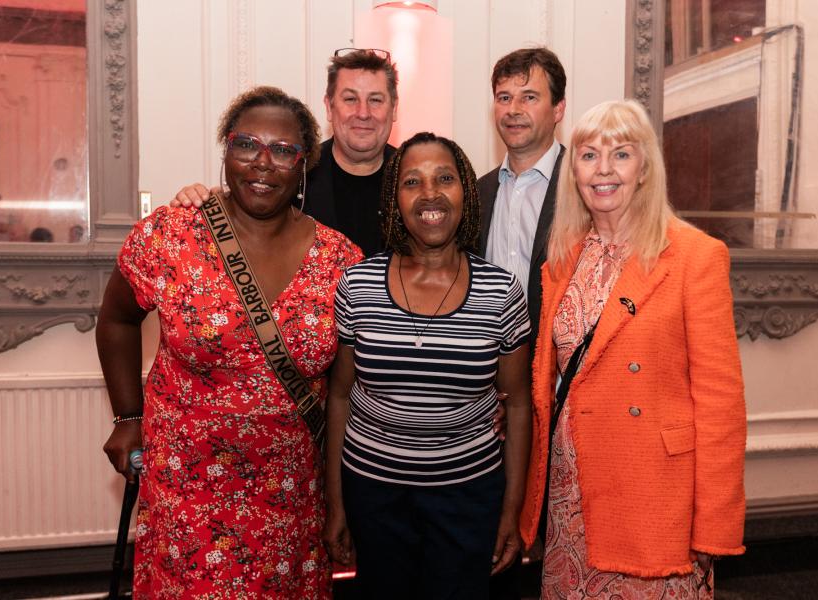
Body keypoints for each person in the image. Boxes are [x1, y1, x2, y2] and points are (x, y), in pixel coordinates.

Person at [97, 86, 362, 598]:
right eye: (247, 145)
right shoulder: (171, 235)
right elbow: (116, 320)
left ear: (304, 164)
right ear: (225, 151)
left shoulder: (340, 258)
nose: (263, 163)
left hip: (290, 492)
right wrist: (128, 417)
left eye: (283, 150)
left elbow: (345, 388)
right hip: (187, 483)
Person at [521, 99, 746, 598]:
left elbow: (721, 406)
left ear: (644, 168)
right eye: (588, 155)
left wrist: (713, 526)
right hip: (570, 492)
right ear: (573, 170)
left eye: (621, 154)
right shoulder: (564, 257)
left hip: (654, 495)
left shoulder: (694, 257)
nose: (603, 169)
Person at [322, 132, 533, 599]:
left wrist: (510, 511)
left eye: (445, 178)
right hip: (373, 492)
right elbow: (339, 395)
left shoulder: (502, 292)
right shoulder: (357, 284)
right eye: (412, 181)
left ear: (466, 192)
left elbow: (518, 405)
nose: (430, 193)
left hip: (468, 496)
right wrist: (336, 503)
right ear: (395, 199)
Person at [174, 48, 398, 256]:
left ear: (394, 108)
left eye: (375, 100)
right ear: (329, 107)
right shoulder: (291, 168)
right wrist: (198, 202)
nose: (363, 113)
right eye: (350, 99)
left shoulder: (414, 177)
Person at [479, 47, 567, 350]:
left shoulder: (584, 188)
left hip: (559, 374)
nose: (513, 109)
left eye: (529, 97)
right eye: (504, 98)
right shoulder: (475, 194)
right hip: (488, 376)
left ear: (558, 109)